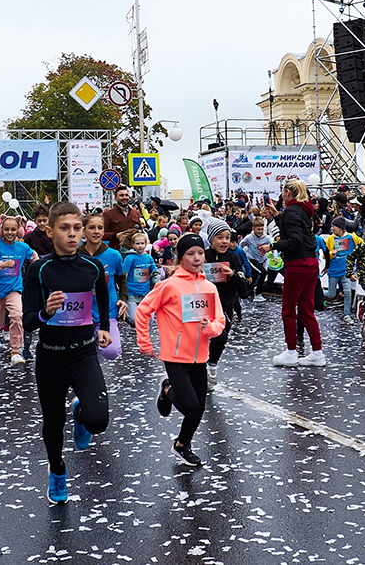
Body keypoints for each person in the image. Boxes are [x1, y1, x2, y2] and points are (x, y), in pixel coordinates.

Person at [21, 202, 113, 505]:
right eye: (65, 228)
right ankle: (58, 471)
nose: (73, 234)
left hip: (83, 353)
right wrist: (46, 313)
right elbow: (28, 319)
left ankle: (82, 412)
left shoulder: (93, 266)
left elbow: (100, 295)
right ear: (49, 231)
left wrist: (102, 326)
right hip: (50, 357)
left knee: (98, 420)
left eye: (77, 227)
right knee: (53, 423)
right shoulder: (39, 269)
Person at [134, 233, 225, 467]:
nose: (196, 258)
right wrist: (145, 342)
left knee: (198, 409)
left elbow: (219, 321)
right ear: (180, 258)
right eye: (190, 254)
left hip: (200, 356)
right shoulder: (169, 285)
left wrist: (210, 328)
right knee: (191, 407)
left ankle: (182, 445)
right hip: (174, 356)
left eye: (200, 253)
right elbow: (144, 310)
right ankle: (168, 388)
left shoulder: (209, 287)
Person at [271, 180, 324, 367]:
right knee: (306, 310)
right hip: (311, 264)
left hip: (297, 265)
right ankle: (317, 352)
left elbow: (294, 240)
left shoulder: (292, 212)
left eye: (283, 193)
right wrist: (278, 216)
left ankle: (291, 352)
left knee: (288, 310)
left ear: (287, 192)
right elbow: (297, 232)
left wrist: (273, 245)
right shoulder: (304, 210)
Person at [0, 216, 37, 366]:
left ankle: (15, 352)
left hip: (14, 289)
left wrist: (39, 267)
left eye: (13, 229)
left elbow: (34, 256)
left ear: (18, 231)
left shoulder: (22, 247)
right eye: (6, 229)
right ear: (1, 230)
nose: (10, 232)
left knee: (17, 315)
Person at [201, 219, 247, 388]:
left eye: (227, 238)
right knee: (203, 337)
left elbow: (244, 288)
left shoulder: (233, 257)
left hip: (226, 305)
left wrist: (233, 275)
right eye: (220, 237)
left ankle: (212, 364)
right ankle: (201, 366)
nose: (225, 241)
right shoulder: (204, 256)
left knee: (221, 338)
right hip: (204, 304)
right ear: (212, 239)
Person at [79, 213, 127, 360]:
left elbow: (121, 278)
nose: (96, 231)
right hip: (81, 313)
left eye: (100, 228)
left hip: (107, 311)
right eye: (92, 227)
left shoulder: (114, 255)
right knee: (82, 355)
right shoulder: (75, 255)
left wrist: (123, 298)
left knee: (111, 351)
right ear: (83, 231)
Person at [322, 216, 363, 322]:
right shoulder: (331, 239)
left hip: (346, 271)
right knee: (331, 294)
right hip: (334, 271)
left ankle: (347, 314)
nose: (331, 229)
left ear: (340, 227)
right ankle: (316, 292)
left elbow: (363, 245)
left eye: (333, 226)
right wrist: (331, 253)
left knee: (347, 292)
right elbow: (324, 256)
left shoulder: (352, 237)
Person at [240, 218, 273, 302]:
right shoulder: (249, 237)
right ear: (253, 228)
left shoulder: (266, 237)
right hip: (252, 259)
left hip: (262, 259)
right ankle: (258, 293)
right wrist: (242, 254)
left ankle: (247, 290)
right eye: (258, 229)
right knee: (263, 272)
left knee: (254, 276)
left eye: (262, 229)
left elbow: (273, 246)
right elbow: (241, 244)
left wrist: (275, 256)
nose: (260, 231)